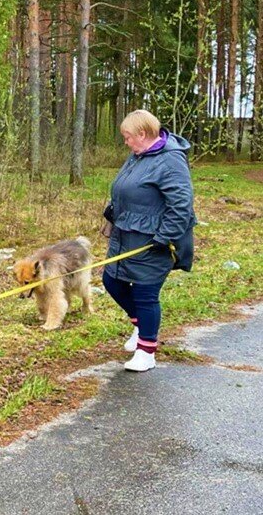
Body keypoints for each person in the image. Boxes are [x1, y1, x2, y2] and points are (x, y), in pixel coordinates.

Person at [100, 109, 196, 372]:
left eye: (128, 137)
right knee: (111, 280)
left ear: (143, 134)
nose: (126, 142)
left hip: (153, 239)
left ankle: (147, 350)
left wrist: (164, 238)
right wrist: (111, 211)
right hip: (126, 234)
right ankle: (141, 326)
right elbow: (125, 187)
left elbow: (181, 206)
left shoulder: (170, 161)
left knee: (145, 292)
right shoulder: (137, 155)